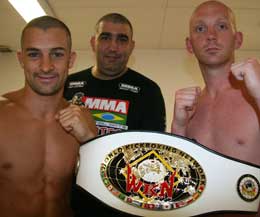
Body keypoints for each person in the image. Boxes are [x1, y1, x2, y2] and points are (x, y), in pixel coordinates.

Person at [0, 16, 97, 217]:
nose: (46, 66)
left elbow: (104, 188)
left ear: (71, 60)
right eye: (34, 54)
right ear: (21, 59)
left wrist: (89, 140)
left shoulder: (84, 119)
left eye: (57, 54)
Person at [171, 1, 260, 216]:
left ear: (237, 39)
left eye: (221, 26)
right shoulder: (188, 108)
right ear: (189, 45)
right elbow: (178, 187)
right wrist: (178, 128)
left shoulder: (256, 92)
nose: (210, 35)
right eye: (200, 29)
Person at [63, 13, 166, 136]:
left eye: (122, 40)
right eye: (105, 38)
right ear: (93, 43)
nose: (113, 47)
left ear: (131, 47)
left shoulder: (148, 91)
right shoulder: (67, 84)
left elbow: (152, 147)